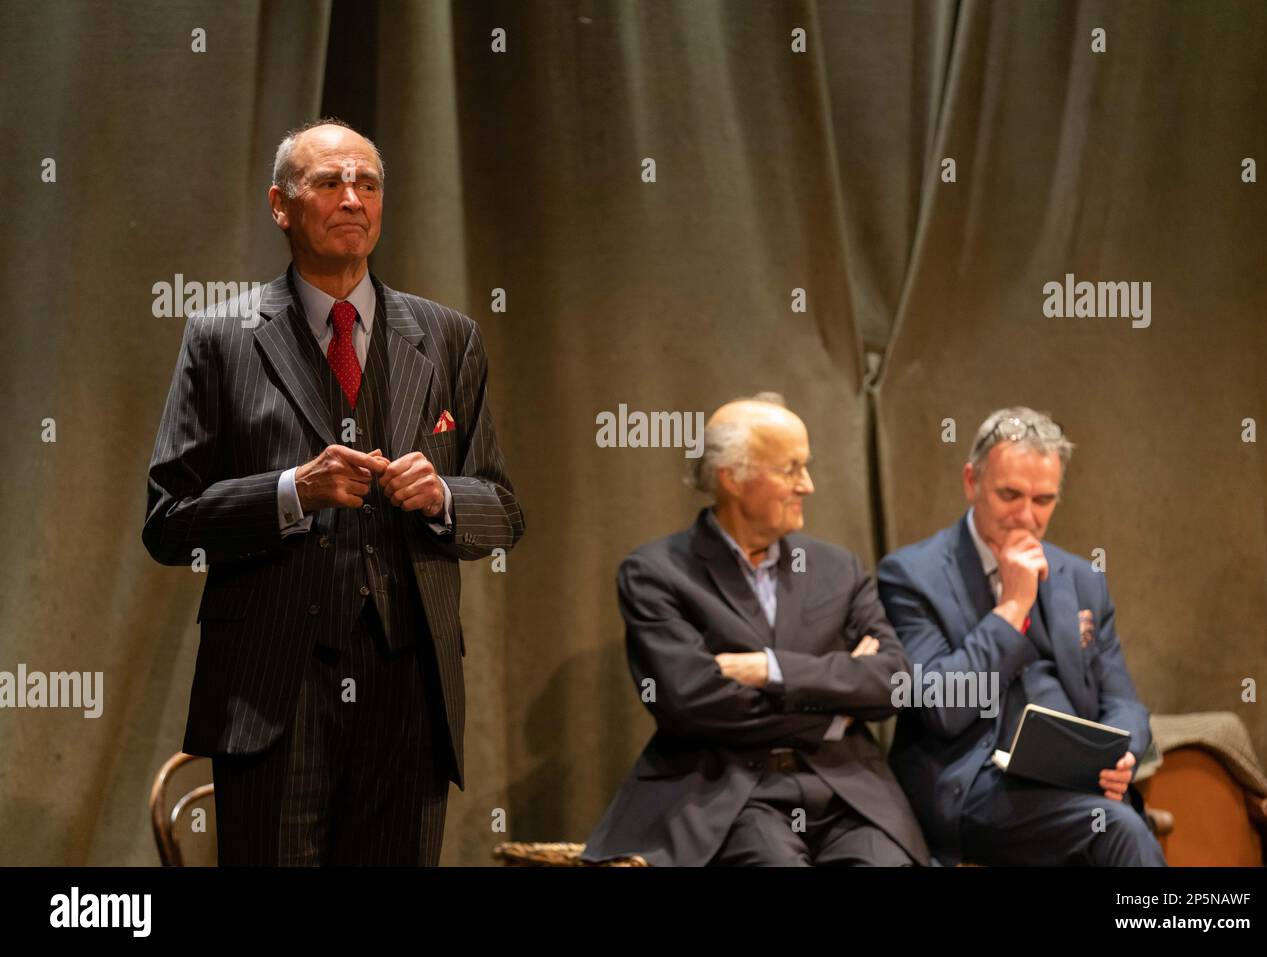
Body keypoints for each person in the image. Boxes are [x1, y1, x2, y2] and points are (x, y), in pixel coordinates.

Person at [142, 118, 524, 865]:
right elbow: (168, 522)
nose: (353, 197)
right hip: (273, 691)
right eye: (329, 181)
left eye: (369, 184)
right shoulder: (222, 336)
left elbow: (504, 509)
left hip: (411, 687)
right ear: (281, 205)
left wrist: (444, 495)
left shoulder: (449, 337)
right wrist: (292, 492)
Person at [582, 394, 931, 866]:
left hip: (847, 787)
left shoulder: (836, 567)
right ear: (733, 476)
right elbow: (690, 703)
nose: (806, 485)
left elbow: (894, 682)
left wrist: (772, 669)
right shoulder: (656, 573)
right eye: (790, 469)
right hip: (731, 792)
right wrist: (836, 709)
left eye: (805, 466)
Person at [876, 406, 1164, 866]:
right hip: (975, 785)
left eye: (1043, 500)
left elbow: (1124, 701)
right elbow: (941, 706)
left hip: (1073, 784)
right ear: (971, 482)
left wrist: (1123, 757)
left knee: (1115, 820)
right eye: (1010, 494)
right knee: (1116, 829)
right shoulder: (911, 575)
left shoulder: (1081, 579)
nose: (1026, 517)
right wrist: (1012, 606)